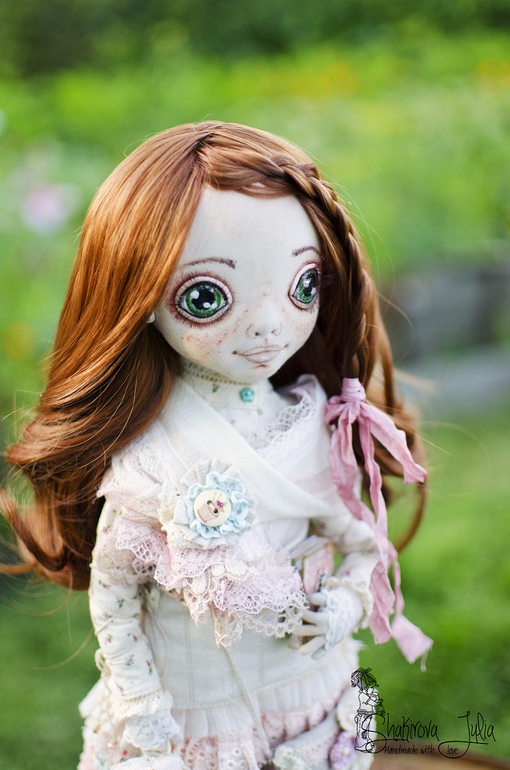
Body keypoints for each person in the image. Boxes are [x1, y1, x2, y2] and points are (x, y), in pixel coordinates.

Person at [1, 122, 431, 770]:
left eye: (302, 286)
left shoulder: (310, 425)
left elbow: (362, 542)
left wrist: (344, 606)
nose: (268, 326)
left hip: (311, 697)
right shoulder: (153, 459)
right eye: (206, 297)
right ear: (142, 300)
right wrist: (144, 708)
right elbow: (114, 597)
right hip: (195, 720)